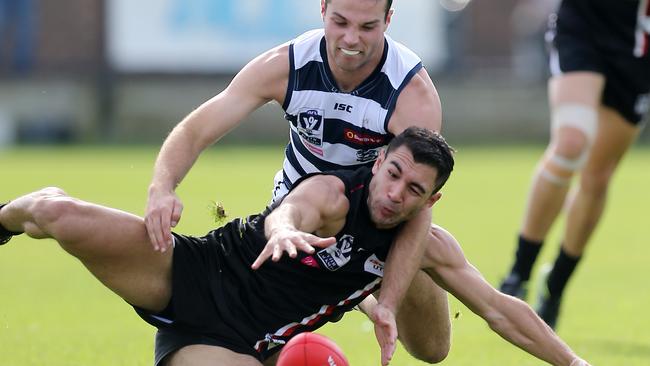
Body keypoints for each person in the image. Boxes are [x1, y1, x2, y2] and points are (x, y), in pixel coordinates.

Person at [0, 127, 591, 366]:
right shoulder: (336, 193)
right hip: (189, 270)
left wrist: (574, 364)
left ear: (429, 201)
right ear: (379, 161)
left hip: (233, 342)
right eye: (393, 174)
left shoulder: (427, 245)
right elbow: (295, 210)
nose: (394, 194)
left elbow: (499, 309)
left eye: (414, 190)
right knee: (56, 213)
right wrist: (283, 230)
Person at [145, 0, 451, 364]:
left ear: (388, 20)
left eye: (367, 27)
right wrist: (162, 189)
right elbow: (196, 130)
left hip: (377, 225)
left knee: (433, 348)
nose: (351, 39)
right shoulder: (285, 66)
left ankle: (360, 291)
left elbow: (418, 197)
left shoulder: (411, 95)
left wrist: (389, 301)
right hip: (298, 219)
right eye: (340, 22)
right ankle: (350, 291)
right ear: (322, 9)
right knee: (268, 350)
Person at [500, 0, 650, 329]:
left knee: (597, 177)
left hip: (637, 46)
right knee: (571, 143)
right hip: (585, 23)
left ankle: (555, 287)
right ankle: (517, 274)